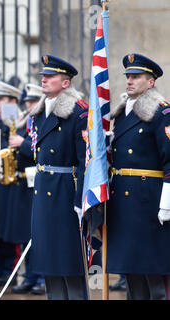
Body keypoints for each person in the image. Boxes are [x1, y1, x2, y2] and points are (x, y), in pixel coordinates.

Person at [21, 55, 89, 300]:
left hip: (65, 193)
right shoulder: (39, 112)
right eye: (43, 75)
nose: (44, 79)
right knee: (49, 261)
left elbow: (85, 162)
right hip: (43, 192)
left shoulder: (78, 112)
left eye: (51, 76)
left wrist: (81, 200)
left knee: (68, 261)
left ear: (66, 83)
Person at [107, 53, 170, 300]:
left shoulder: (161, 112)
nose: (130, 81)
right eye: (128, 76)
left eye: (137, 77)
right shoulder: (122, 113)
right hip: (124, 200)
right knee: (132, 273)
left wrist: (167, 200)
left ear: (151, 82)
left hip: (149, 200)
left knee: (154, 275)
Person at [0, 80, 23, 288]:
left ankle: (11, 271)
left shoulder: (15, 121)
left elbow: (9, 144)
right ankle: (0, 270)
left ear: (12, 101)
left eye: (3, 99)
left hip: (12, 183)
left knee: (11, 231)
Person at [10, 83, 46, 295]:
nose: (29, 105)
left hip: (39, 182)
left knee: (38, 234)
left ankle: (41, 277)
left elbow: (40, 150)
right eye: (28, 102)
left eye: (33, 101)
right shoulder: (26, 120)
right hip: (24, 184)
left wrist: (22, 143)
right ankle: (30, 276)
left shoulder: (41, 120)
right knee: (26, 233)